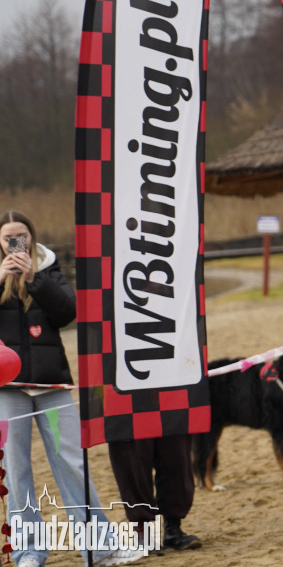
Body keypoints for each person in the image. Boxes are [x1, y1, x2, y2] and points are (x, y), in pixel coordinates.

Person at [0, 210, 144, 567]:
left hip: (52, 385)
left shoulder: (48, 267)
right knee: (16, 472)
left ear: (32, 237)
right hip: (7, 389)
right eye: (8, 237)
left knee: (72, 463)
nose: (16, 242)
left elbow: (69, 313)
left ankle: (100, 549)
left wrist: (35, 279)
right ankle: (27, 552)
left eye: (22, 235)